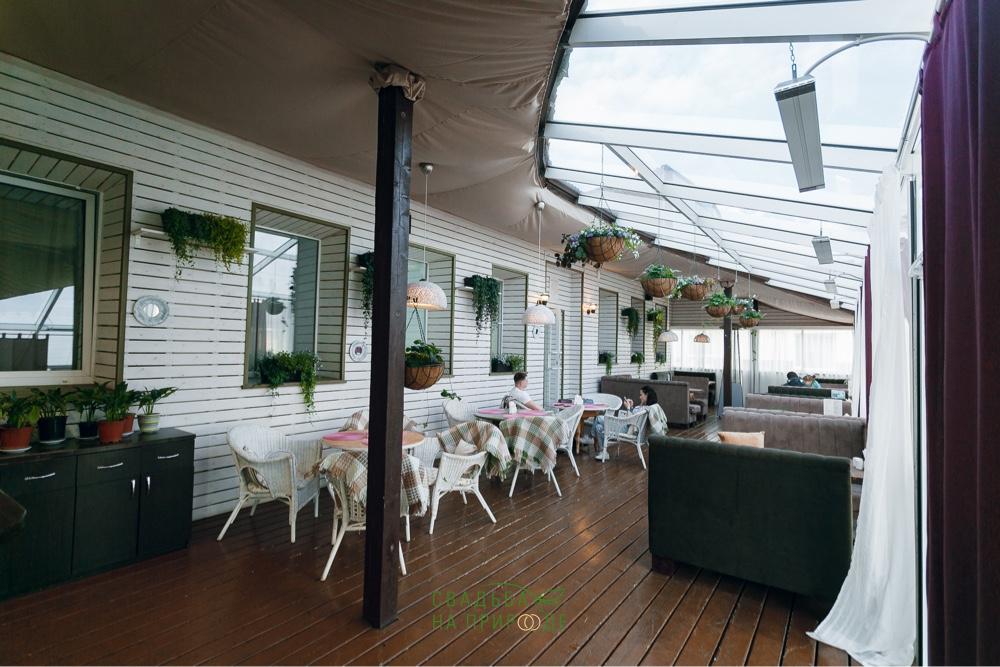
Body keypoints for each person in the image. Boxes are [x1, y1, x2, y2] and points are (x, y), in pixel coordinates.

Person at [592, 385, 667, 462]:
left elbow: (630, 421)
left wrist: (628, 408)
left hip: (625, 429)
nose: (639, 397)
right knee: (598, 427)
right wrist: (631, 407)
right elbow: (635, 418)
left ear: (646, 395)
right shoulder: (647, 407)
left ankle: (590, 437)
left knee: (598, 418)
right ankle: (603, 452)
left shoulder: (645, 409)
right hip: (625, 426)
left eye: (641, 395)